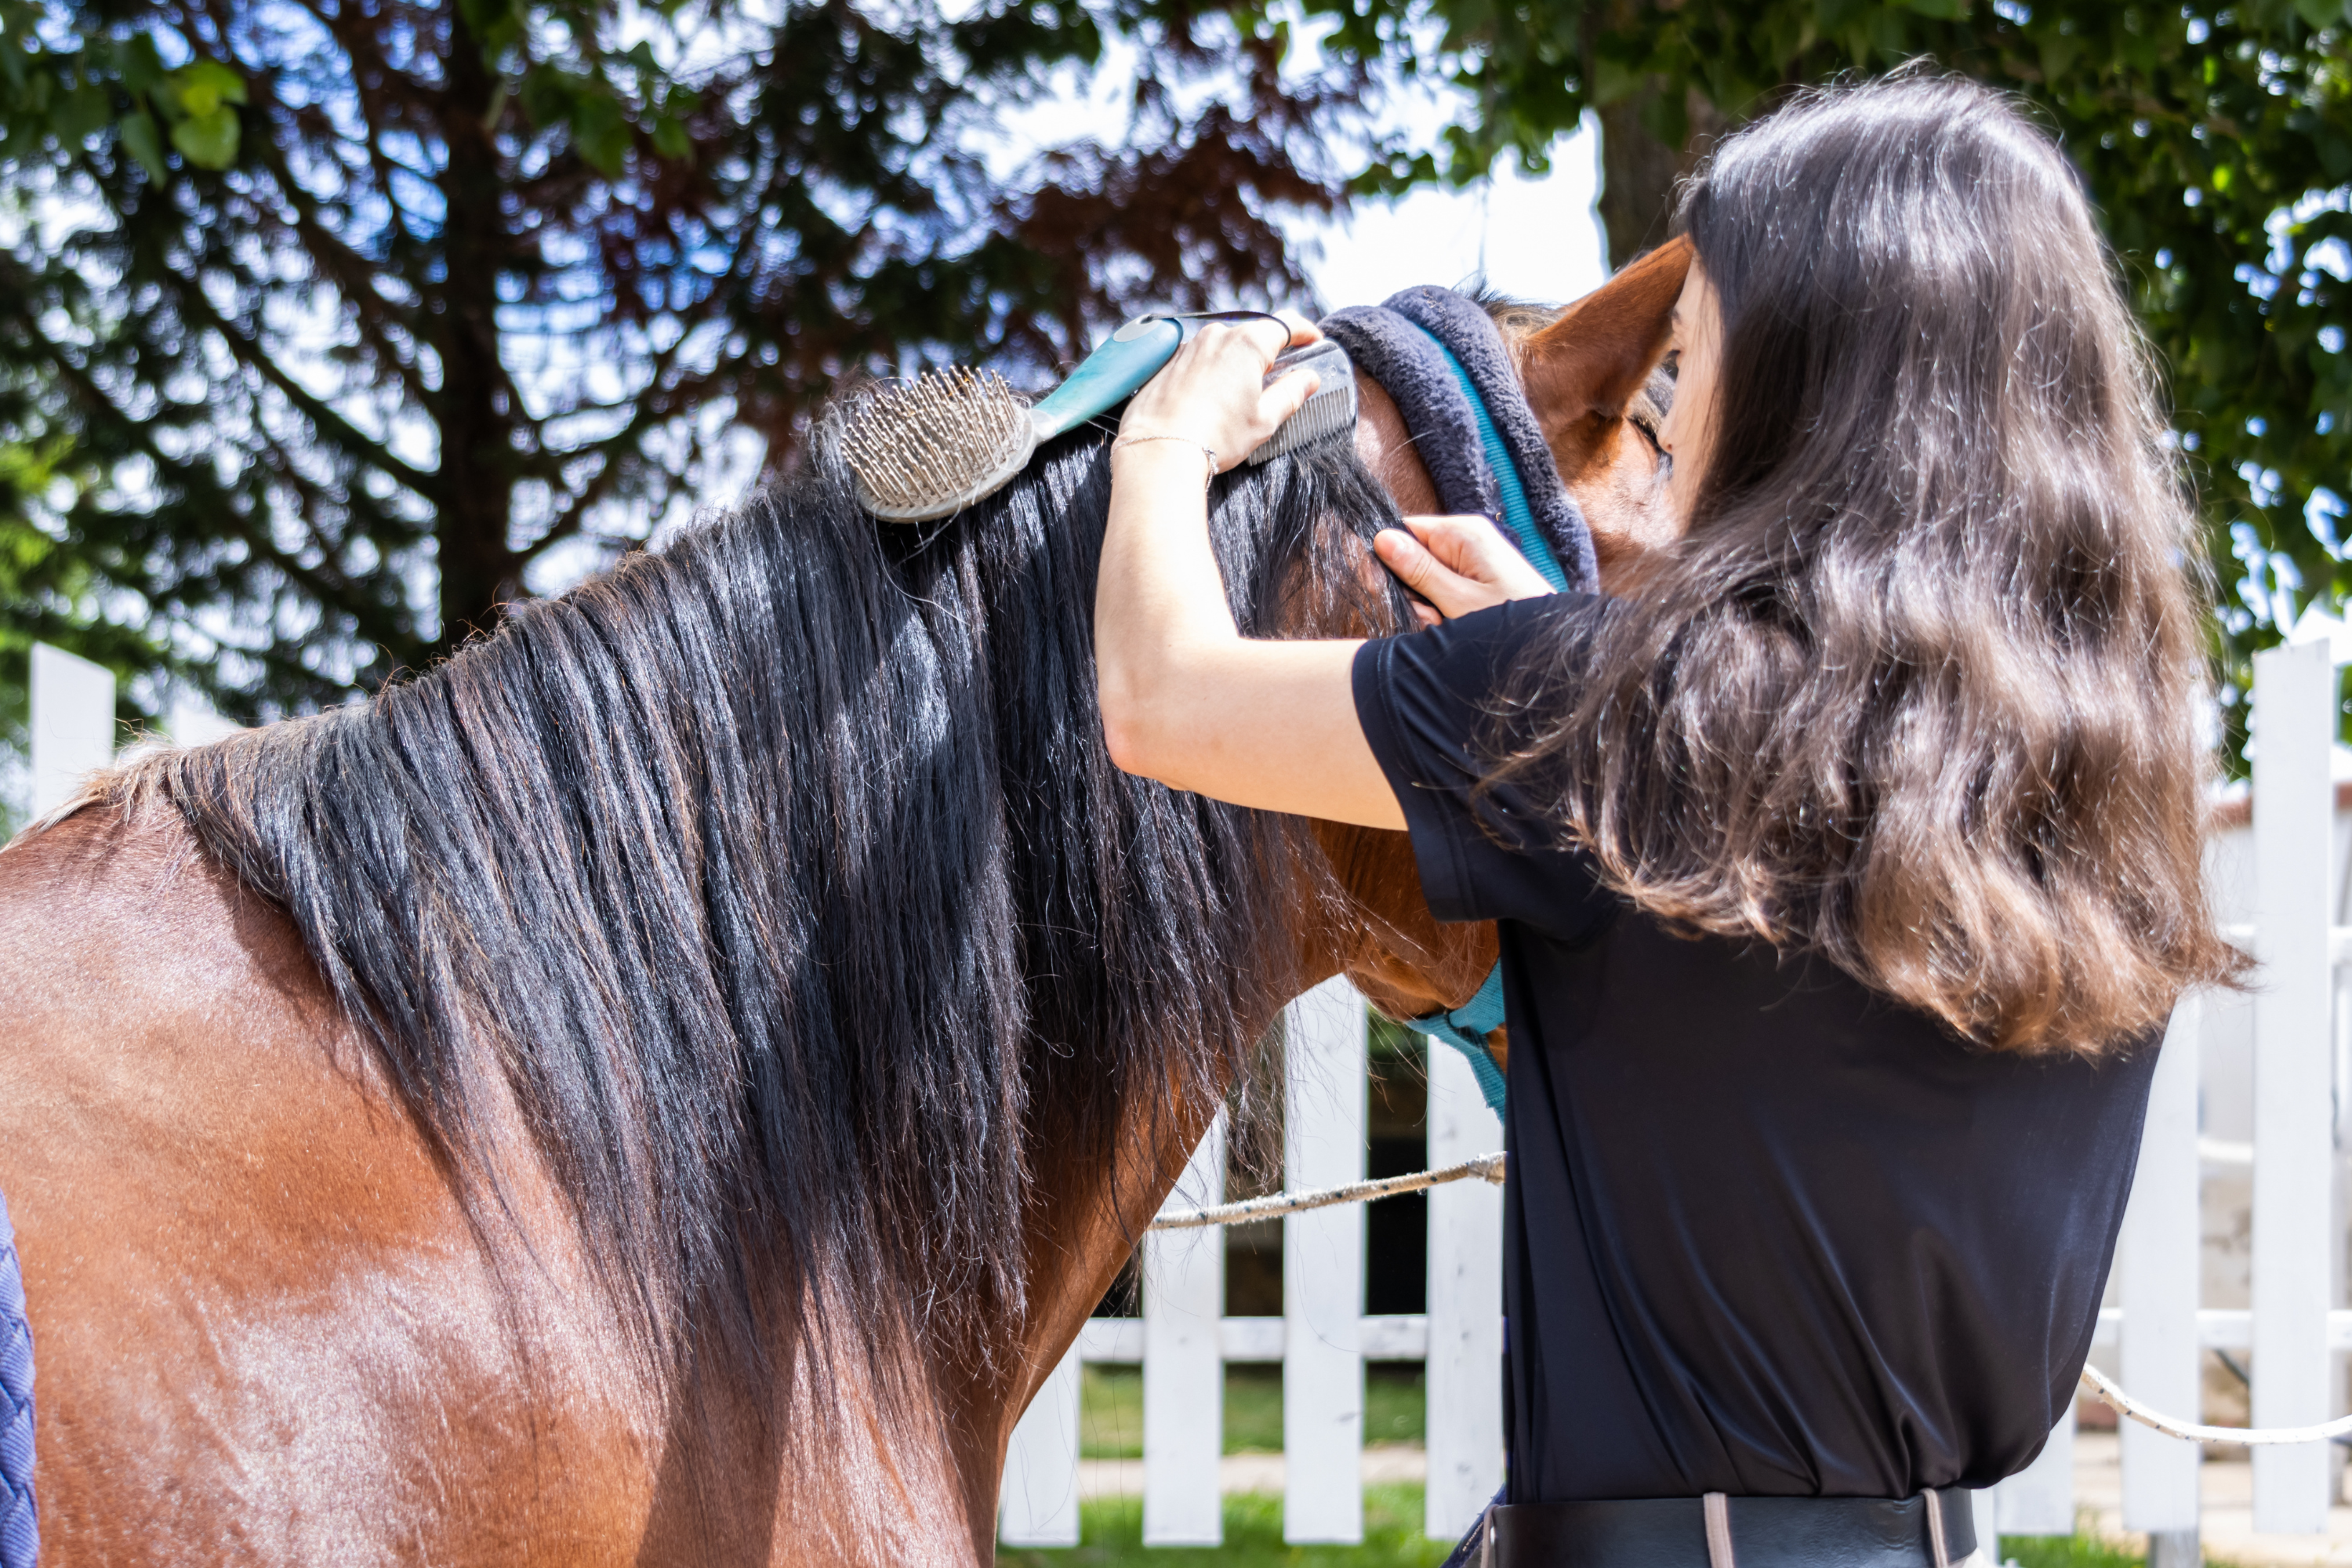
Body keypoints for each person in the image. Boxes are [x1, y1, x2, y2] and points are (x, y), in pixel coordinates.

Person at [1091, 74, 2245, 1568]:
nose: (1678, 406)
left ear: (1801, 382)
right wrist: (1558, 663)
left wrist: (1163, 443)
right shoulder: (2098, 803)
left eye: (1691, 360)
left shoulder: (1615, 724)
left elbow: (1160, 701)